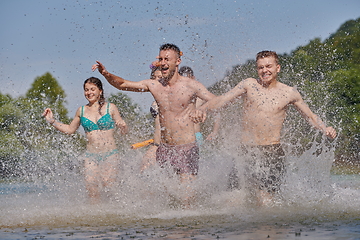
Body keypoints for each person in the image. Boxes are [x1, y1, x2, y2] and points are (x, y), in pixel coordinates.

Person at [192, 50, 337, 206]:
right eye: (260, 67)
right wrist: (203, 109)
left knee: (265, 202)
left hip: (272, 152)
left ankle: (268, 230)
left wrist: (324, 128)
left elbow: (310, 116)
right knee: (233, 198)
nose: (264, 70)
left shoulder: (289, 93)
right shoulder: (249, 84)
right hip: (245, 151)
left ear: (277, 68)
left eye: (268, 66)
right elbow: (222, 100)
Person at [92, 43, 216, 207]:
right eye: (160, 59)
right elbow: (123, 84)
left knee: (186, 201)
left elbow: (216, 100)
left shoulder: (191, 85)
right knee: (168, 201)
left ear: (178, 61)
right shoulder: (154, 85)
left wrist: (204, 109)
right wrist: (107, 75)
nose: (163, 63)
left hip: (186, 147)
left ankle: (191, 226)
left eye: (167, 59)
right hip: (164, 149)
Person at [42, 77, 128, 203]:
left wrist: (123, 126)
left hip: (110, 154)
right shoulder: (81, 110)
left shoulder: (111, 108)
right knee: (91, 188)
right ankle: (94, 216)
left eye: (92, 89)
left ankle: (111, 214)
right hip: (91, 156)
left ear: (100, 91)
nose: (89, 93)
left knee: (107, 185)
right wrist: (52, 121)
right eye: (86, 90)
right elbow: (70, 130)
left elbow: (124, 132)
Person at [178, 66, 220, 145]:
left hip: (196, 136)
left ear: (193, 78)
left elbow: (217, 107)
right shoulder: (176, 96)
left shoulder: (200, 97)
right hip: (179, 137)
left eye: (188, 80)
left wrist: (215, 132)